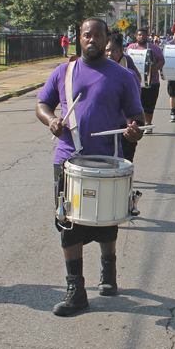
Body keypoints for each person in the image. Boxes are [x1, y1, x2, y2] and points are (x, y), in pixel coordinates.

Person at [36, 18, 145, 317]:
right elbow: (42, 105)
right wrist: (52, 121)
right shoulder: (64, 72)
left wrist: (135, 130)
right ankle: (76, 290)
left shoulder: (122, 76)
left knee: (106, 222)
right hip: (68, 160)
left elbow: (137, 116)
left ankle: (108, 270)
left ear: (106, 39)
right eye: (87, 35)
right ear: (79, 39)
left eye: (99, 35)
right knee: (68, 222)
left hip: (106, 160)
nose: (93, 40)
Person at [106, 29, 142, 162]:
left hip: (124, 128)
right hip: (105, 128)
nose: (109, 54)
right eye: (107, 50)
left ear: (121, 53)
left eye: (114, 51)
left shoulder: (129, 76)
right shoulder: (95, 75)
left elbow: (135, 102)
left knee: (124, 166)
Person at [127, 28, 165, 133]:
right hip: (135, 83)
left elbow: (162, 60)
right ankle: (137, 125)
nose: (141, 37)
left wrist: (155, 68)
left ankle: (148, 124)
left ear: (147, 36)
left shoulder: (154, 48)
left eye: (143, 35)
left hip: (152, 82)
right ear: (136, 36)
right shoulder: (131, 48)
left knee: (149, 104)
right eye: (139, 35)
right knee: (137, 104)